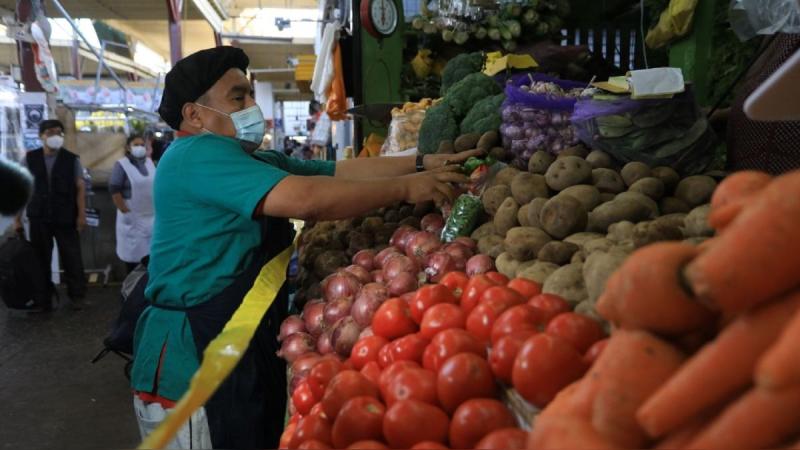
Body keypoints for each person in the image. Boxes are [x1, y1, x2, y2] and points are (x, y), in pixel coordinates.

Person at [131, 46, 479, 449]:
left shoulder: (245, 157)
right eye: (237, 97)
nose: (250, 107)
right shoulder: (197, 155)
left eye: (249, 95)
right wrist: (406, 186)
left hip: (231, 341)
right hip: (195, 363)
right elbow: (308, 199)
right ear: (194, 114)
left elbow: (340, 171)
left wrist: (426, 162)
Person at [14, 119, 87, 311]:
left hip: (66, 216)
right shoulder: (29, 159)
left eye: (59, 133)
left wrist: (81, 215)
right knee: (40, 259)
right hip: (39, 217)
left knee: (72, 257)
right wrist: (17, 218)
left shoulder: (72, 159)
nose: (55, 136)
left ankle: (77, 295)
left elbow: (80, 188)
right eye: (50, 133)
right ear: (41, 136)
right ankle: (42, 298)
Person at [721, 34, 800, 174]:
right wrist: (727, 114)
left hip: (784, 171)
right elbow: (771, 92)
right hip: (744, 168)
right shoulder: (782, 27)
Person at [109, 134, 156, 273]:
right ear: (128, 148)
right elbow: (114, 189)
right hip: (132, 218)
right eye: (136, 145)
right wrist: (124, 210)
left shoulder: (149, 162)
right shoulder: (121, 165)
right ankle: (132, 292)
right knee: (134, 263)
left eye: (142, 144)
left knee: (151, 259)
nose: (140, 147)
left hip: (151, 217)